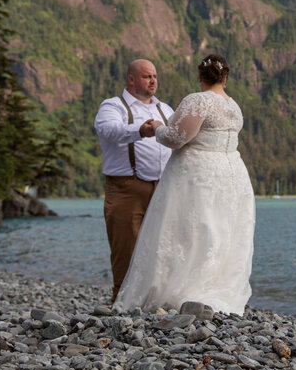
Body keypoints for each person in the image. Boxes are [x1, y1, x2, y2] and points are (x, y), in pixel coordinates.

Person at [114, 53, 255, 315]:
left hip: (198, 173)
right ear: (225, 77)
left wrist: (157, 127)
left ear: (200, 76)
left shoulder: (198, 101)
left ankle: (181, 291)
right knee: (220, 230)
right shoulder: (234, 106)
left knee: (188, 229)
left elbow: (176, 137)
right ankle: (215, 285)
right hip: (231, 174)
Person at [94, 58, 174, 303]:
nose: (153, 81)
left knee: (164, 247)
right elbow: (110, 131)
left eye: (155, 76)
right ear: (131, 79)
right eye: (147, 76)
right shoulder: (112, 106)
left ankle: (158, 299)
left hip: (164, 189)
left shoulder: (166, 110)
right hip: (126, 188)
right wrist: (140, 130)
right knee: (125, 249)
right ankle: (121, 301)